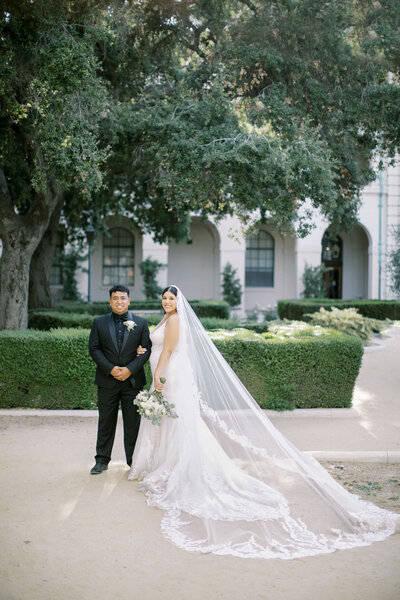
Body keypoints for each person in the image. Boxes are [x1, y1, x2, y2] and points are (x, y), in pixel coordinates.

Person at [129, 285, 399, 560]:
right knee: (173, 420)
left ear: (179, 302)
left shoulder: (174, 319)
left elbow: (168, 351)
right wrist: (145, 350)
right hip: (167, 372)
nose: (166, 302)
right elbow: (157, 345)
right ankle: (169, 463)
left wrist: (158, 377)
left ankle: (178, 466)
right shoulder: (166, 318)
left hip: (170, 373)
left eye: (171, 298)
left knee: (179, 421)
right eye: (164, 298)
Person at [89, 285, 151, 475]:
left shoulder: (141, 323)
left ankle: (133, 461)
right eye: (115, 298)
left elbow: (146, 350)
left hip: (132, 382)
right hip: (107, 381)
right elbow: (94, 349)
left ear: (129, 300)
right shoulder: (99, 323)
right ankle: (101, 460)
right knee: (106, 421)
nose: (119, 301)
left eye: (123, 298)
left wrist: (129, 370)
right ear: (110, 301)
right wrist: (111, 369)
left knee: (133, 423)